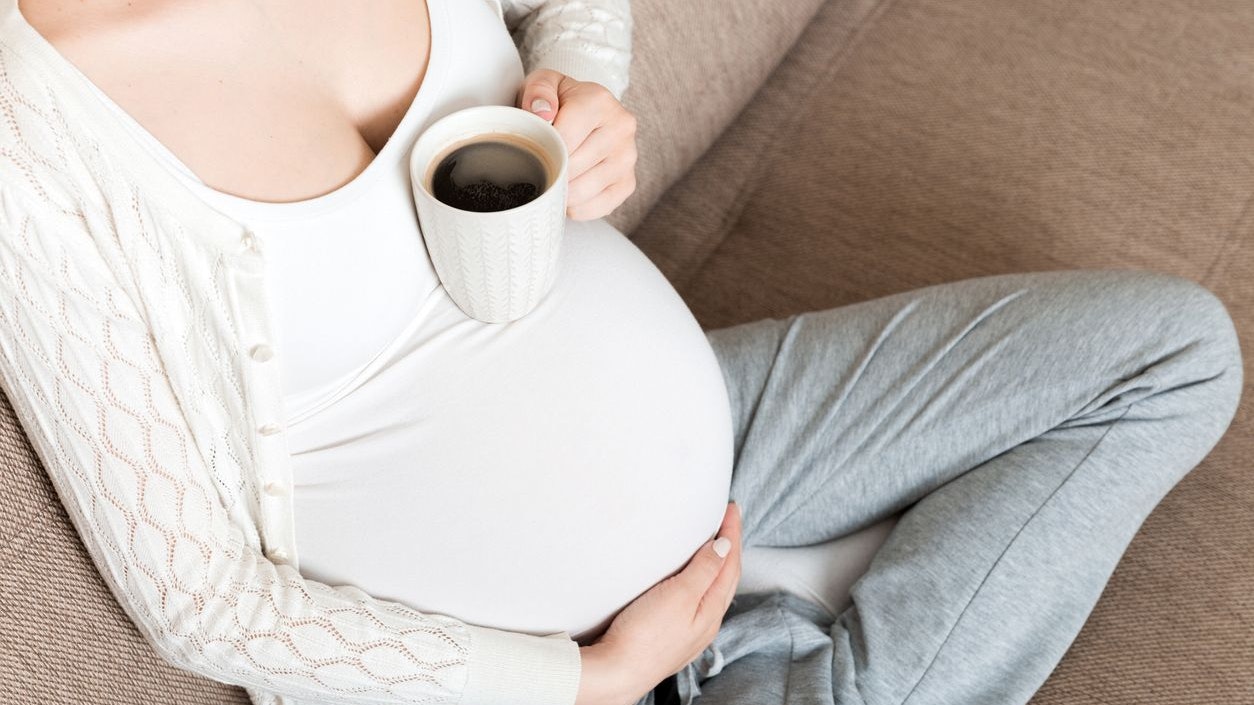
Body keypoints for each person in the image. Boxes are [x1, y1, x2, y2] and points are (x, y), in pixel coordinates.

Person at [0, 2, 1242, 705]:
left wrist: (582, 81)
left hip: (724, 443)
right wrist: (586, 682)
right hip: (512, 657)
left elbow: (571, 8)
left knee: (1170, 353)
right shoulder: (26, 137)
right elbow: (198, 601)